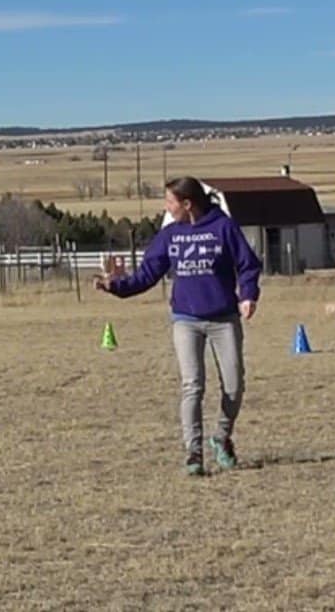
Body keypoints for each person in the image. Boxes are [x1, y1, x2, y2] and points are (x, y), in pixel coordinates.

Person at [94, 176, 263, 475]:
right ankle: (193, 453)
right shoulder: (170, 236)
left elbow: (248, 264)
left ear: (188, 204)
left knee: (234, 387)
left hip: (224, 319)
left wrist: (248, 295)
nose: (166, 207)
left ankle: (221, 437)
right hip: (186, 320)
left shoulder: (223, 227)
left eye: (170, 202)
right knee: (192, 386)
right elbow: (147, 274)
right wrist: (115, 285)